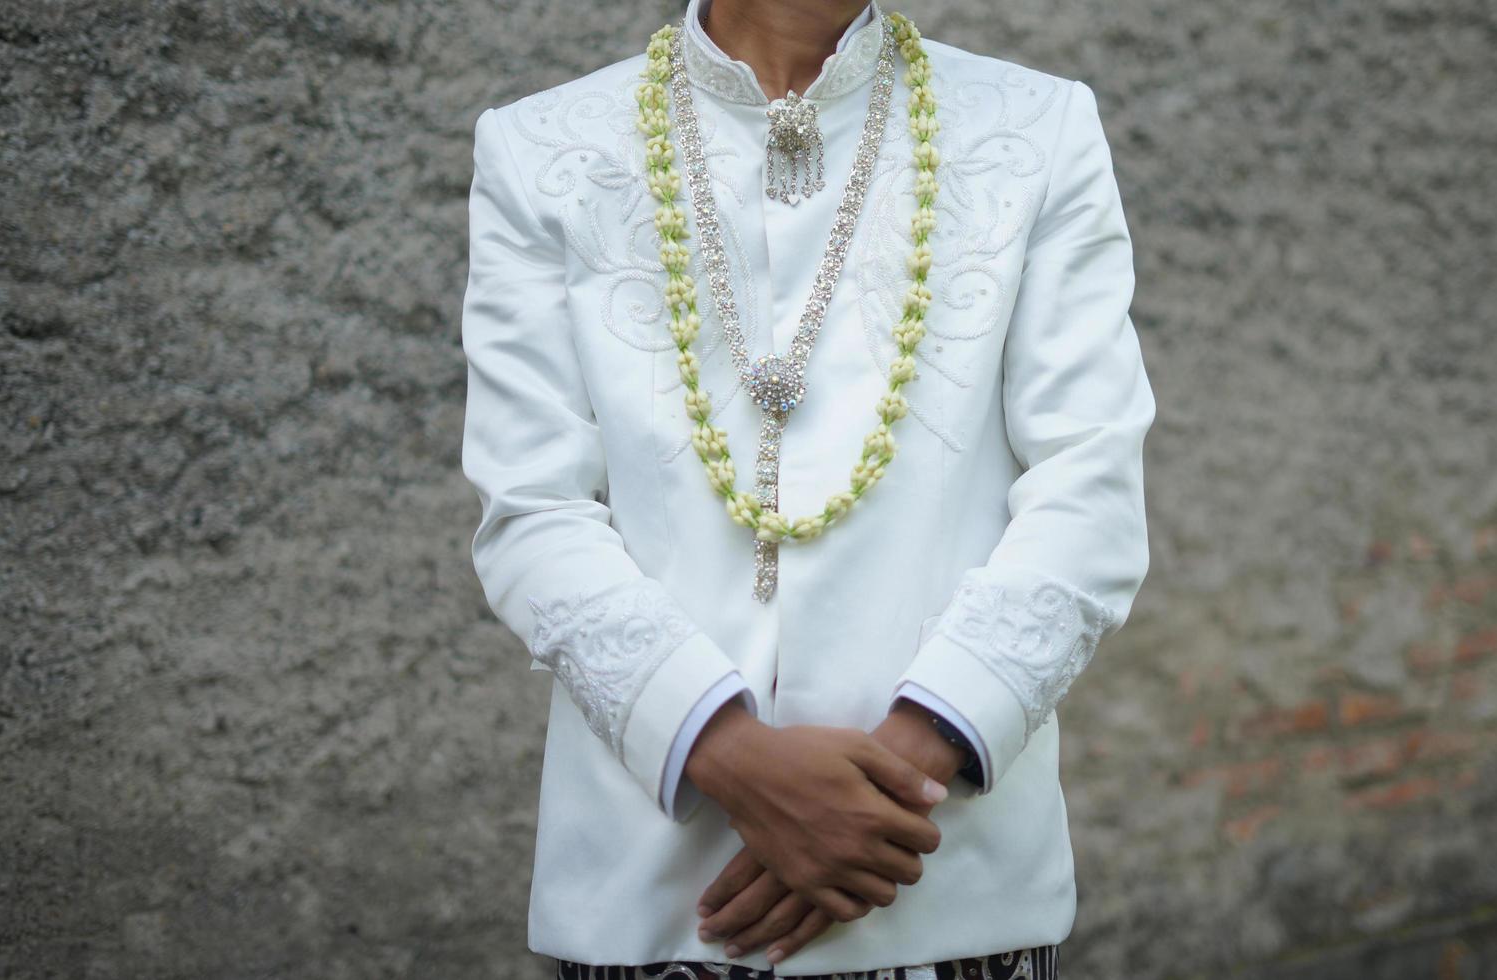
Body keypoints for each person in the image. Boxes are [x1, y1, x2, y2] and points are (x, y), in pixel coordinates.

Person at [458, 0, 1154, 976]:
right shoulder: (542, 151)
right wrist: (726, 750)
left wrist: (898, 774)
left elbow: (1089, 491)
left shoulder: (1034, 129)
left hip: (940, 880)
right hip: (659, 887)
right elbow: (533, 512)